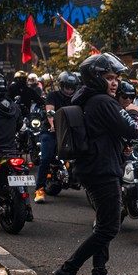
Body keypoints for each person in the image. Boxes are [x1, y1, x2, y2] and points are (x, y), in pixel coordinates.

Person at [52, 53, 138, 275]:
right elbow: (132, 130)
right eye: (109, 78)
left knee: (104, 221)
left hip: (94, 167)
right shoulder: (103, 102)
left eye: (116, 78)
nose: (115, 83)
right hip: (102, 170)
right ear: (95, 78)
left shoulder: (88, 99)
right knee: (109, 227)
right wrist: (134, 113)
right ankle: (68, 270)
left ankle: (99, 272)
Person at [34, 71, 80, 203]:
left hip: (70, 131)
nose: (69, 90)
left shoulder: (77, 97)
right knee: (46, 158)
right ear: (61, 85)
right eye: (67, 87)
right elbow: (50, 112)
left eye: (72, 87)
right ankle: (39, 189)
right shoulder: (53, 95)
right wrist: (53, 125)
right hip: (52, 131)